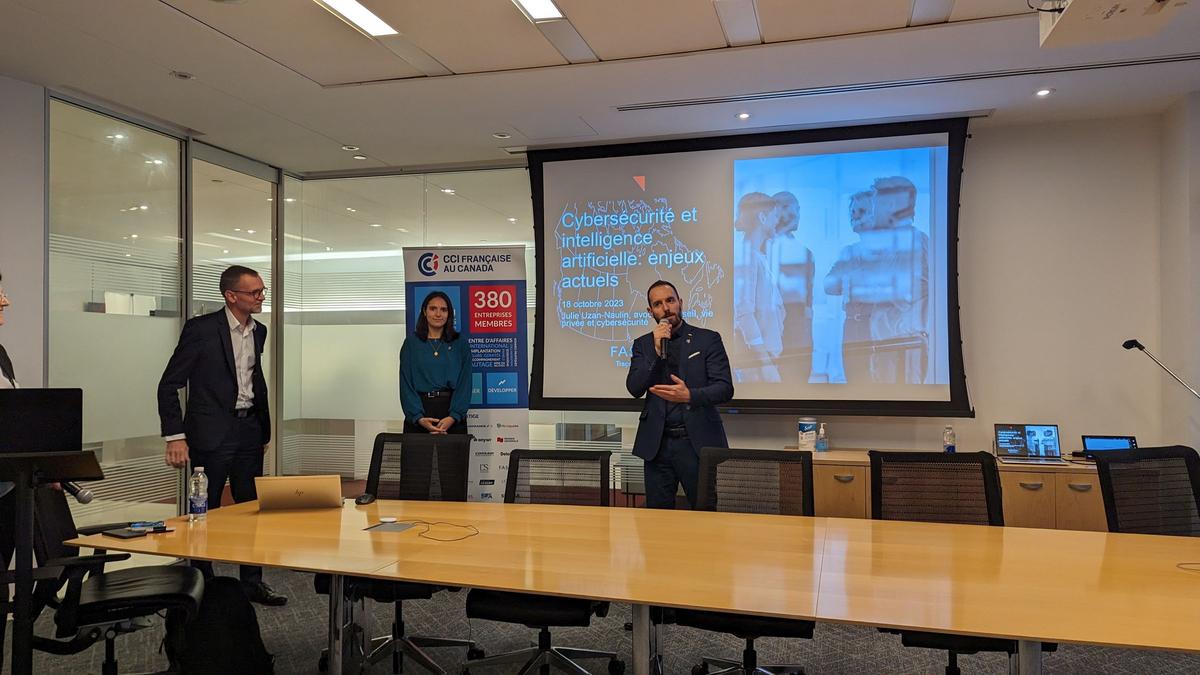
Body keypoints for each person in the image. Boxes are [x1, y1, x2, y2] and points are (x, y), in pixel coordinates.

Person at [157, 265, 286, 606]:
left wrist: (263, 428)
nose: (261, 297)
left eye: (262, 291)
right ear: (231, 295)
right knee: (205, 510)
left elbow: (252, 379)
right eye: (254, 292)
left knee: (251, 508)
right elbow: (169, 384)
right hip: (210, 432)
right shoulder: (201, 330)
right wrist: (175, 436)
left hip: (248, 430)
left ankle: (252, 583)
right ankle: (202, 583)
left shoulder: (259, 330)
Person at [626, 281, 734, 509]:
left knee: (704, 513)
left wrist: (689, 395)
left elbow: (724, 388)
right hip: (657, 444)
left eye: (670, 300)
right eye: (658, 304)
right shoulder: (643, 345)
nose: (666, 308)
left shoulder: (707, 339)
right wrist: (656, 352)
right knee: (657, 516)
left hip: (696, 442)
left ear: (680, 303)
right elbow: (634, 388)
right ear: (650, 311)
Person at [399, 291, 471, 434]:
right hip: (419, 414)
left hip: (451, 416)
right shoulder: (411, 344)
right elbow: (406, 384)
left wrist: (453, 416)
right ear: (424, 311)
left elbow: (465, 383)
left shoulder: (460, 343)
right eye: (433, 309)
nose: (438, 314)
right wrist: (418, 417)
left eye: (443, 310)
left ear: (449, 314)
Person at [732, 191, 786, 383]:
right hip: (757, 362)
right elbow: (744, 313)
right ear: (762, 217)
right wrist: (765, 363)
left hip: (766, 357)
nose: (777, 221)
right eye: (775, 216)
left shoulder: (758, 257)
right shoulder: (747, 258)